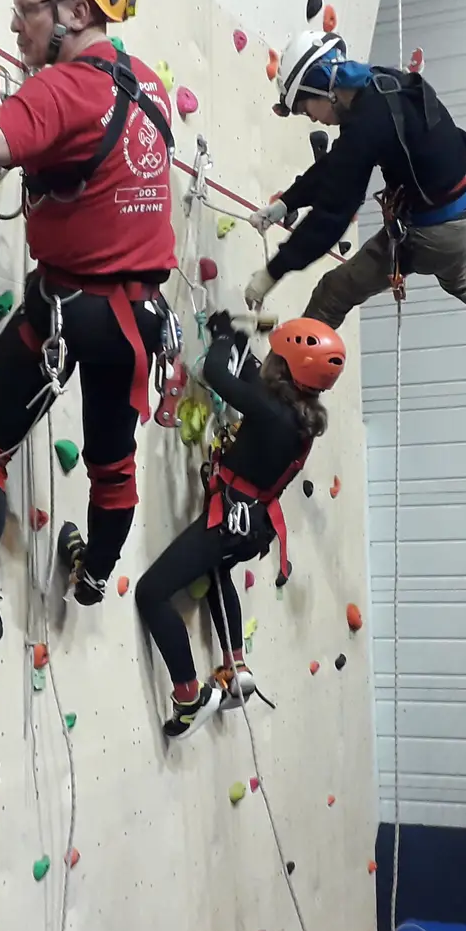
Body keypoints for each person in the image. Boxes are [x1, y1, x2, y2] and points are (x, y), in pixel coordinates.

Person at [0, 0, 176, 668]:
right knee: (113, 466)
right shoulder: (149, 86)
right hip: (138, 321)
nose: (16, 26)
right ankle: (95, 578)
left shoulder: (62, 90)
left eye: (27, 12)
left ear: (74, 10)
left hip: (69, 312)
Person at [243, 30, 466, 365]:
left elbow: (332, 217)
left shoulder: (366, 124)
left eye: (308, 109)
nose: (314, 119)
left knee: (332, 293)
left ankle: (287, 382)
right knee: (461, 277)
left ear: (323, 89)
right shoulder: (384, 82)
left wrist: (272, 273)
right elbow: (339, 164)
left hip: (437, 236)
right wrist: (286, 203)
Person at [135, 313, 342, 739]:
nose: (267, 361)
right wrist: (242, 346)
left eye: (275, 358)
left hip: (229, 522)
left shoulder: (271, 410)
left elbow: (215, 373)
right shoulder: (300, 416)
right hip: (255, 525)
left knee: (151, 593)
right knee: (216, 572)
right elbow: (253, 384)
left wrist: (224, 337)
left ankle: (189, 698)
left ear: (284, 370)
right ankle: (237, 665)